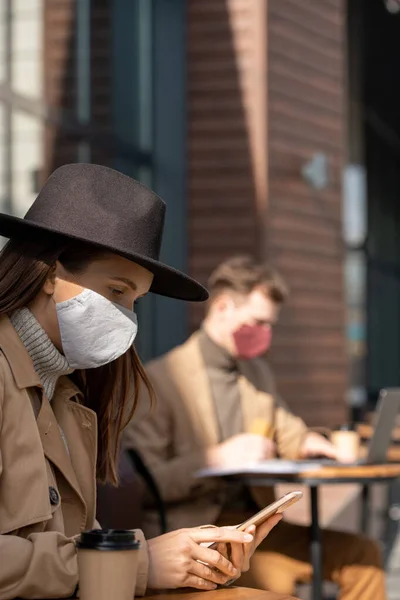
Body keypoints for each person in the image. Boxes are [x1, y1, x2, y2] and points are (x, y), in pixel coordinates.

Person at [0, 167, 282, 600]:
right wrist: (138, 562)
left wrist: (185, 556)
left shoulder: (68, 394)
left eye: (135, 301)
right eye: (116, 291)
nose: (125, 316)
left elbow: (76, 542)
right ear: (50, 272)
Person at [125, 255, 386, 600]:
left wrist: (315, 441)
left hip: (256, 525)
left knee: (362, 555)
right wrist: (215, 458)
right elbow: (144, 484)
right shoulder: (160, 379)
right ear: (222, 308)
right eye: (258, 322)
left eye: (270, 326)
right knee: (269, 582)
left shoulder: (256, 373)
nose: (265, 335)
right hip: (201, 530)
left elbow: (288, 430)